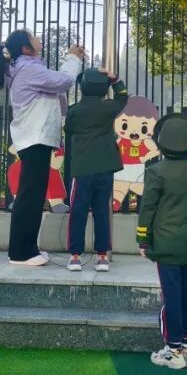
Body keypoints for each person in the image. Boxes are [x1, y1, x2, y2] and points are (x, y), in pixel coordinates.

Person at [0, 29, 84, 265]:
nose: (38, 39)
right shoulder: (29, 69)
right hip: (35, 138)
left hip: (34, 138)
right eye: (33, 37)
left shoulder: (25, 67)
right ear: (26, 48)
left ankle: (27, 249)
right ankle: (21, 253)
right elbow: (63, 81)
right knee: (30, 197)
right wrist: (73, 58)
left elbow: (56, 84)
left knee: (32, 196)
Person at [136, 113, 187, 370]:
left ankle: (173, 351)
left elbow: (147, 208)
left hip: (165, 244)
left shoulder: (155, 171)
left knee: (171, 297)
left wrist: (143, 239)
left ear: (161, 142)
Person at [65, 68, 129, 272]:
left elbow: (68, 130)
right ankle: (102, 257)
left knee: (78, 211)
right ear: (103, 88)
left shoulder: (74, 111)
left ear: (82, 87)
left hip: (82, 169)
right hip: (105, 168)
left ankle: (75, 257)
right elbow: (123, 98)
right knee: (102, 212)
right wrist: (115, 80)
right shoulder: (108, 108)